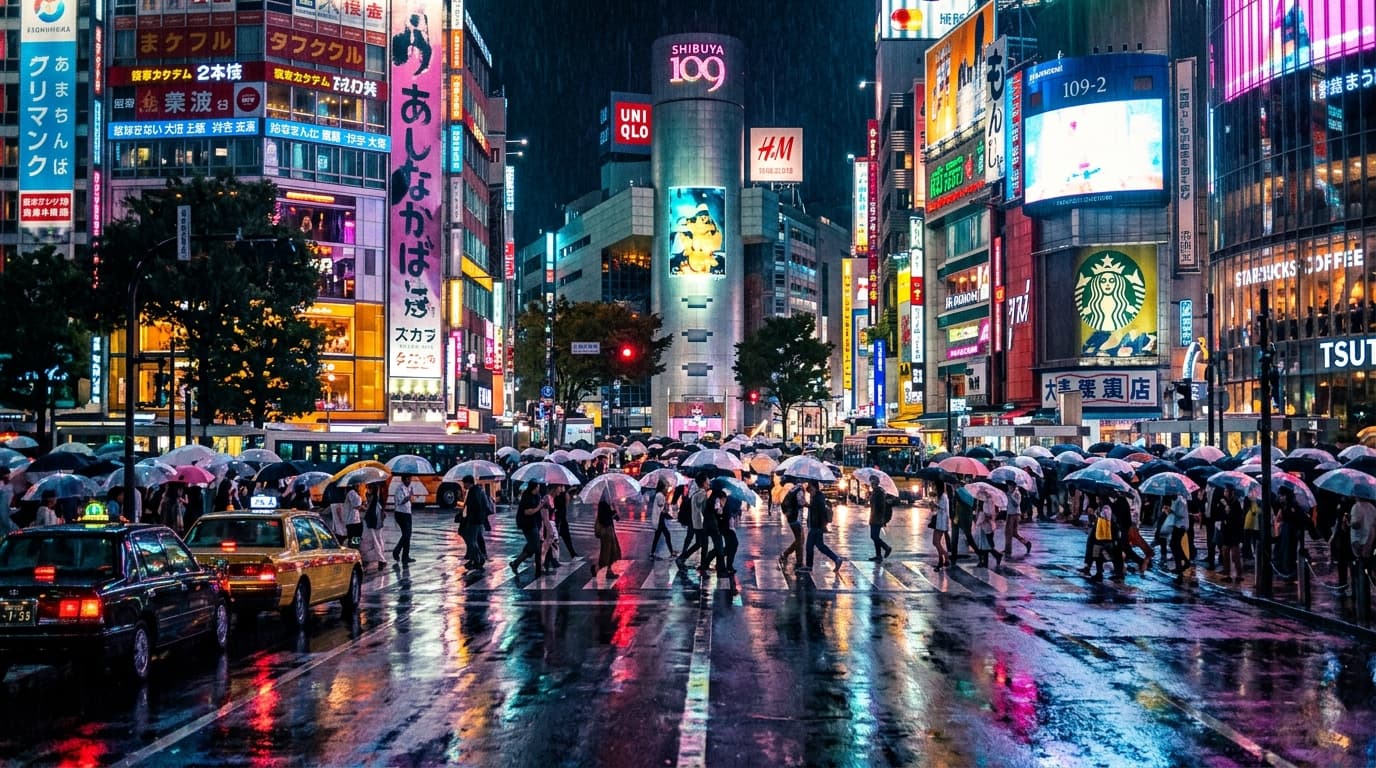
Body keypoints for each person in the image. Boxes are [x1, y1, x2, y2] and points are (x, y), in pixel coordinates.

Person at [804, 479, 843, 573]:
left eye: (811, 487)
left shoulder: (818, 498)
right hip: (817, 526)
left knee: (809, 546)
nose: (810, 490)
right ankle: (837, 559)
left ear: (814, 487)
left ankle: (809, 566)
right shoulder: (817, 497)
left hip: (816, 526)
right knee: (820, 546)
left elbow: (820, 512)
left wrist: (822, 526)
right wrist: (808, 505)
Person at [509, 483, 545, 578]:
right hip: (527, 524)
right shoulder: (527, 497)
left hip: (536, 523)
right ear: (533, 487)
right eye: (537, 487)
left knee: (537, 546)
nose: (539, 489)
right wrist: (539, 507)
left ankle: (536, 568)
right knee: (535, 545)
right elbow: (528, 512)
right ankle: (517, 563)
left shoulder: (537, 496)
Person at [460, 476, 492, 569]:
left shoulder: (474, 492)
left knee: (471, 541)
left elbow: (475, 506)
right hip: (478, 520)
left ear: (468, 483)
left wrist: (468, 516)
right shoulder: (478, 490)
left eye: (464, 483)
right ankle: (475, 559)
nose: (463, 485)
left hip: (474, 520)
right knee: (475, 539)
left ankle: (479, 558)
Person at [1216, 486, 1245, 583]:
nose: (1225, 493)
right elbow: (1219, 515)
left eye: (1227, 491)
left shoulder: (1236, 503)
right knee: (1225, 553)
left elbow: (1238, 518)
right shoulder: (1222, 502)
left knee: (1235, 555)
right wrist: (1225, 511)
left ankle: (1239, 574)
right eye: (1224, 491)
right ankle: (1227, 574)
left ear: (1231, 492)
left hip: (1234, 531)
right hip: (1226, 531)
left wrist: (1229, 511)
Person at [778, 482, 806, 572]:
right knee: (799, 540)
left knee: (800, 539)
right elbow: (801, 502)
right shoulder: (800, 490)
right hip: (795, 517)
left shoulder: (794, 489)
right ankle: (799, 563)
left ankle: (785, 554)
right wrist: (808, 504)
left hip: (792, 517)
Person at [1349, 495, 1376, 589]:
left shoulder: (1356, 507)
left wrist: (1349, 523)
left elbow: (1356, 525)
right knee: (1368, 564)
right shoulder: (1372, 507)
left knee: (1360, 566)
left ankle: (1361, 590)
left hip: (1358, 540)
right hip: (1370, 539)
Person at [359, 482, 387, 571]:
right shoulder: (377, 494)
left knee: (373, 540)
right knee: (377, 540)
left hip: (372, 520)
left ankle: (380, 559)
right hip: (376, 520)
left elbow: (368, 508)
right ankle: (378, 559)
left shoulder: (373, 495)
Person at [592, 498, 622, 578]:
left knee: (609, 551)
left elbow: (612, 516)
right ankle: (606, 571)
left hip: (609, 529)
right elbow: (604, 518)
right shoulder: (603, 503)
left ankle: (597, 568)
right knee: (608, 552)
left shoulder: (606, 503)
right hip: (606, 531)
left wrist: (614, 511)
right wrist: (613, 511)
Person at [649, 480, 678, 559]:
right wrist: (666, 499)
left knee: (658, 536)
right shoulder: (660, 495)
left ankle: (652, 553)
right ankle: (671, 552)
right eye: (666, 487)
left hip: (660, 518)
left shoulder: (660, 495)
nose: (666, 489)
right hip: (659, 518)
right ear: (662, 487)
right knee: (665, 535)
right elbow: (662, 507)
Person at [391, 474, 416, 564]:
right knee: (406, 534)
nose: (410, 481)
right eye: (408, 479)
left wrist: (411, 496)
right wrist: (408, 497)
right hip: (401, 513)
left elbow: (411, 501)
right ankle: (396, 552)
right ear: (404, 479)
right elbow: (401, 501)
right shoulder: (399, 489)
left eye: (410, 479)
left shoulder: (408, 488)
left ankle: (405, 556)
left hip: (408, 513)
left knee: (408, 535)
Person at [972, 498, 1003, 569]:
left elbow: (990, 514)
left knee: (986, 544)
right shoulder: (980, 500)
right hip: (982, 524)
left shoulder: (989, 501)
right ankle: (989, 559)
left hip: (986, 525)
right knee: (983, 544)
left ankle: (995, 556)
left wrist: (983, 516)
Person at [867, 476, 893, 562]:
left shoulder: (880, 492)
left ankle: (887, 548)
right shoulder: (874, 492)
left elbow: (882, 507)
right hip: (873, 517)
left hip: (877, 519)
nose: (871, 484)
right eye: (871, 483)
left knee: (874, 536)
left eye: (873, 483)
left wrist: (882, 519)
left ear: (876, 483)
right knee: (875, 537)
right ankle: (878, 556)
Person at [1002, 482, 1031, 556]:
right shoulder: (1009, 493)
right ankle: (1026, 543)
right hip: (1010, 513)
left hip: (1013, 514)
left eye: (1010, 486)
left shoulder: (1017, 493)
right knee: (1014, 533)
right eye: (1008, 486)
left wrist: (1011, 496)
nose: (1009, 487)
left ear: (1014, 486)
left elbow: (1016, 504)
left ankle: (1008, 551)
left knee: (1008, 533)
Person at [1168, 492, 1192, 576]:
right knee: (1175, 545)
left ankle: (1184, 563)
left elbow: (1181, 514)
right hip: (1177, 525)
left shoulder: (1181, 500)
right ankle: (1181, 564)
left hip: (1180, 525)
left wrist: (1171, 511)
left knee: (1174, 545)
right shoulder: (1176, 500)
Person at [552, 484, 577, 559]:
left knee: (566, 537)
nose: (562, 488)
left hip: (562, 519)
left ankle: (572, 553)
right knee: (553, 539)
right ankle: (550, 559)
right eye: (561, 487)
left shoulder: (563, 494)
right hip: (556, 519)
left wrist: (567, 494)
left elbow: (566, 504)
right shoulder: (556, 495)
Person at [932, 483, 951, 569]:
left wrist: (935, 505)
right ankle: (941, 560)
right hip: (939, 522)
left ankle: (945, 556)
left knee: (935, 542)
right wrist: (933, 506)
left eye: (935, 487)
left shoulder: (943, 496)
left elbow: (942, 508)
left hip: (941, 522)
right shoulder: (940, 497)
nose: (934, 488)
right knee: (937, 542)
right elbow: (937, 509)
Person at [343, 482, 364, 548]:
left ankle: (354, 548)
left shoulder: (352, 493)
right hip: (353, 521)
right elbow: (357, 505)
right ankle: (354, 549)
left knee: (354, 537)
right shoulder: (352, 493)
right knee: (354, 537)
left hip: (354, 520)